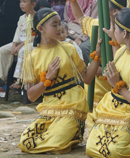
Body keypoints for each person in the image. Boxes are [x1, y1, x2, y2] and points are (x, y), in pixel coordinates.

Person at [85, 7, 130, 157]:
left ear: (124, 33)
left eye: (115, 29)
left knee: (115, 150)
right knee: (91, 147)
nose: (113, 33)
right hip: (112, 108)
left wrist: (117, 84)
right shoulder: (120, 51)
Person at [18, 8, 90, 154]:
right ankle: (67, 138)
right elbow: (31, 96)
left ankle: (71, 135)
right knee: (26, 142)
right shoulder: (31, 57)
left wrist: (96, 58)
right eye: (54, 25)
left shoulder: (69, 48)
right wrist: (47, 79)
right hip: (49, 107)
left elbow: (86, 78)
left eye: (60, 24)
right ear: (40, 28)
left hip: (72, 105)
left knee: (57, 142)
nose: (60, 28)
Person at [67, 0, 127, 133]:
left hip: (115, 84)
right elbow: (80, 18)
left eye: (103, 7)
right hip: (96, 85)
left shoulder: (126, 32)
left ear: (115, 12)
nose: (98, 10)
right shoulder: (96, 24)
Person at [0, 0, 38, 90]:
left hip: (30, 44)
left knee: (23, 51)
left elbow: (33, 35)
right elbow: (17, 33)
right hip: (19, 42)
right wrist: (14, 45)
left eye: (24, 1)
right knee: (2, 50)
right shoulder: (21, 18)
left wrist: (20, 45)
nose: (21, 4)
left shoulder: (36, 17)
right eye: (20, 2)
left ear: (33, 4)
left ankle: (20, 79)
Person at [64, 0, 98, 64]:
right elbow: (66, 22)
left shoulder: (95, 1)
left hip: (90, 34)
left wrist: (80, 38)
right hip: (70, 33)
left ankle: (86, 74)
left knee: (83, 48)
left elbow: (93, 25)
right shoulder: (70, 0)